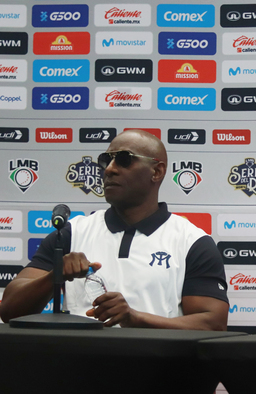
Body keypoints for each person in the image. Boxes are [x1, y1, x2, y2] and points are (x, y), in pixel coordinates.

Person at [0, 129, 229, 329]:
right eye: (106, 160)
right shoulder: (72, 234)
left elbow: (212, 323)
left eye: (124, 159)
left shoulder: (192, 241)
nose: (109, 169)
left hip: (156, 373)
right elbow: (10, 310)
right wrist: (54, 276)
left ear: (157, 172)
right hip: (79, 371)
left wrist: (134, 318)